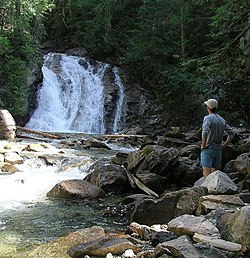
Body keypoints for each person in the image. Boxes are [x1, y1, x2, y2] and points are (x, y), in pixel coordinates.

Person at [200, 99, 235, 177]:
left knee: (206, 172)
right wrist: (224, 145)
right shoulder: (222, 119)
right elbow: (232, 134)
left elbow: (205, 131)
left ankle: (206, 189)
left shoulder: (207, 118)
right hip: (218, 149)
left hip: (208, 148)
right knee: (214, 174)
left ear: (208, 108)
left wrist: (203, 145)